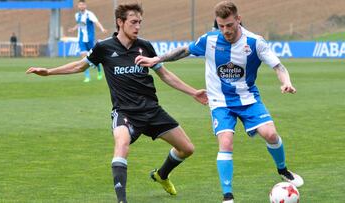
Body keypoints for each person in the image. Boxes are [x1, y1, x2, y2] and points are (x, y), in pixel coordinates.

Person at [27, 3, 207, 203]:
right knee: (121, 143)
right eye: (133, 22)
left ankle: (161, 175)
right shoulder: (104, 48)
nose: (137, 27)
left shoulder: (145, 46)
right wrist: (49, 72)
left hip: (152, 110)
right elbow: (79, 66)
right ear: (120, 22)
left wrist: (193, 92)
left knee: (187, 149)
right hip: (125, 112)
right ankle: (122, 200)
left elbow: (165, 75)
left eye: (139, 22)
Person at [135, 1, 304, 203]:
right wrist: (156, 59)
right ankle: (228, 197)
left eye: (230, 25)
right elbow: (184, 51)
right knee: (226, 142)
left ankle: (283, 170)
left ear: (238, 20)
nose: (226, 30)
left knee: (271, 133)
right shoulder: (210, 39)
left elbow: (279, 67)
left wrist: (286, 82)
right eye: (221, 26)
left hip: (248, 98)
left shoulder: (255, 42)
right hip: (220, 101)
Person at [68, 0, 107, 82]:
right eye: (80, 5)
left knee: (95, 56)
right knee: (83, 57)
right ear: (78, 6)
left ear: (85, 6)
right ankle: (87, 76)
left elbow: (96, 22)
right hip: (81, 39)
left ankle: (99, 71)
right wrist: (73, 29)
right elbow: (80, 24)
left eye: (83, 4)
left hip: (90, 39)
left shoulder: (89, 14)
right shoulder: (77, 15)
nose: (81, 6)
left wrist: (102, 28)